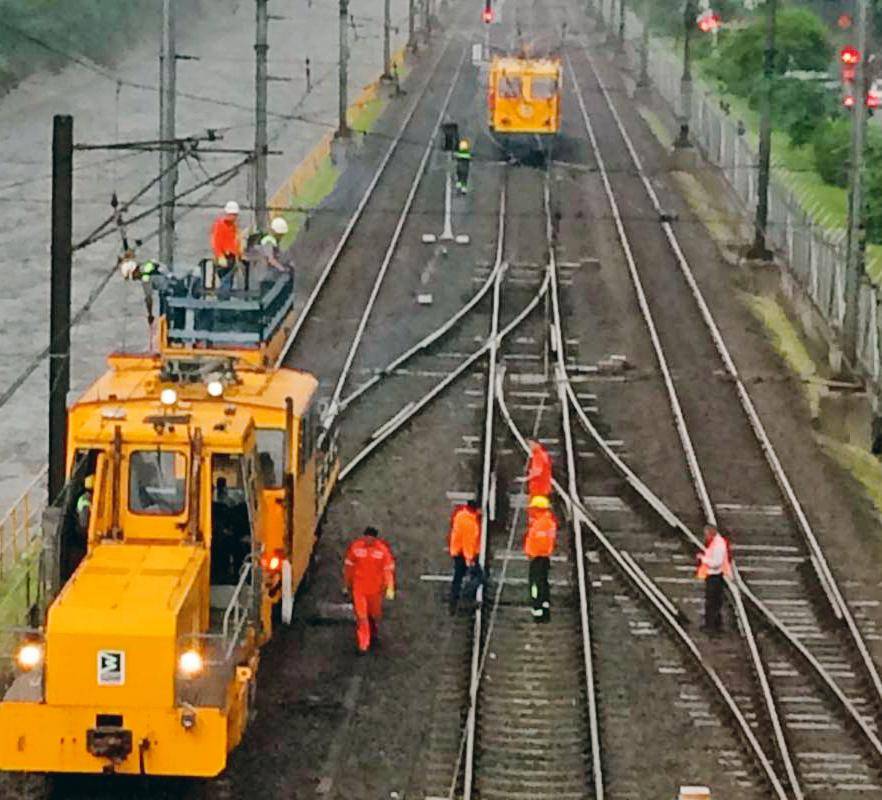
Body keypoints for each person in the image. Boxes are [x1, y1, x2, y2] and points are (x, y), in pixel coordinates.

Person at [343, 527, 396, 654]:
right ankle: (363, 644)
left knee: (373, 614)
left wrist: (389, 587)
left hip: (375, 590)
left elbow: (387, 570)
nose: (368, 540)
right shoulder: (356, 548)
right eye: (366, 537)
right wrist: (346, 584)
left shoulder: (382, 551)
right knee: (362, 616)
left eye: (370, 538)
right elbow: (349, 567)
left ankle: (373, 631)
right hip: (359, 588)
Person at [523, 495, 557, 623]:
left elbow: (539, 543)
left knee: (535, 585)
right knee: (544, 583)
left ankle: (538, 611)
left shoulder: (541, 524)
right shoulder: (547, 522)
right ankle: (544, 609)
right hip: (544, 558)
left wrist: (531, 553)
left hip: (537, 558)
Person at [448, 499, 483, 614]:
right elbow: (468, 542)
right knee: (480, 577)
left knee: (457, 578)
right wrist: (470, 560)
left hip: (457, 551)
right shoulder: (470, 523)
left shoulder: (461, 515)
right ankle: (466, 598)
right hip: (464, 554)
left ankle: (454, 601)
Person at [696, 525, 732, 634]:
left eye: (706, 534)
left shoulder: (718, 545)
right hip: (713, 576)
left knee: (712, 601)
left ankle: (711, 625)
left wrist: (703, 559)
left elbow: (716, 563)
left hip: (715, 576)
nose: (705, 537)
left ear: (711, 533)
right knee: (714, 601)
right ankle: (714, 624)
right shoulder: (715, 543)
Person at [251, 217, 294, 291]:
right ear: (275, 232)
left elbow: (278, 255)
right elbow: (271, 259)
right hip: (266, 277)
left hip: (269, 276)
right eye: (280, 235)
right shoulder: (268, 242)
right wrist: (282, 269)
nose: (281, 237)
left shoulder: (273, 242)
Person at [210, 201, 243, 292]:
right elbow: (216, 243)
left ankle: (225, 298)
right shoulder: (219, 225)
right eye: (233, 215)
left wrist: (239, 254)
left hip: (231, 258)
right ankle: (222, 301)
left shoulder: (233, 227)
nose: (235, 217)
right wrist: (220, 256)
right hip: (224, 258)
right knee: (225, 282)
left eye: (236, 215)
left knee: (229, 283)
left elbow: (235, 242)